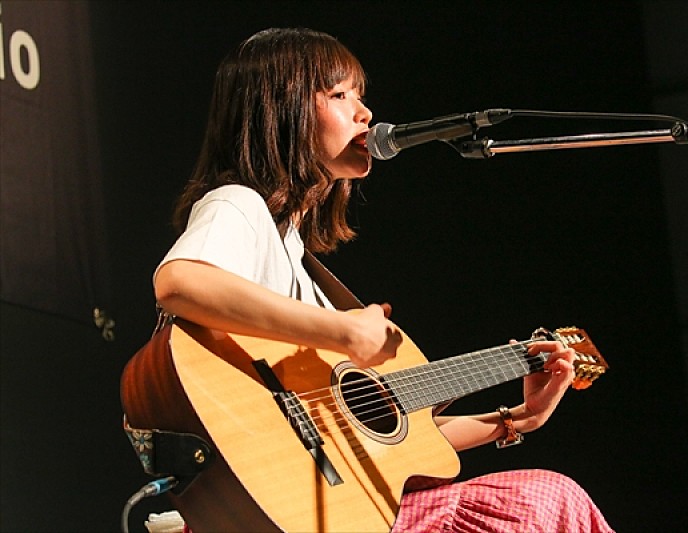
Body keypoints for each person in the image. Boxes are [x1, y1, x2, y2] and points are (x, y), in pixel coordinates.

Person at [152, 27, 613, 532]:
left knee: (544, 497)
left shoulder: (296, 257)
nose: (365, 113)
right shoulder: (239, 204)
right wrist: (343, 331)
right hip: (261, 513)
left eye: (361, 96)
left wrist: (515, 420)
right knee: (546, 498)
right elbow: (180, 282)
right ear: (280, 110)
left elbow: (390, 450)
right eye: (339, 95)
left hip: (312, 508)